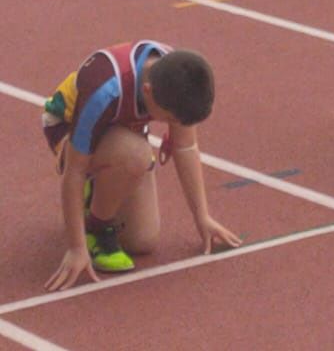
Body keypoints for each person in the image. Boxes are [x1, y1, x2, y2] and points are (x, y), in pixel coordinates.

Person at [41, 41, 240, 291]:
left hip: (122, 132)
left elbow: (185, 147)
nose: (172, 124)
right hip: (68, 128)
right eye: (168, 119)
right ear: (147, 91)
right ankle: (97, 227)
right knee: (136, 155)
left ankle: (98, 194)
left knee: (142, 241)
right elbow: (74, 171)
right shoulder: (104, 89)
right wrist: (76, 247)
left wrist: (202, 217)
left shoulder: (177, 79)